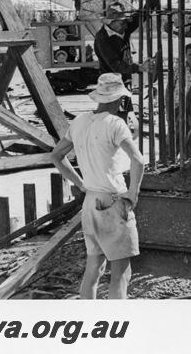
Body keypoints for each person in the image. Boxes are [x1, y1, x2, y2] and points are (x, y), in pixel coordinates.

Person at [48, 73, 145, 299]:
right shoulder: (115, 124)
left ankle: (89, 323)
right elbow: (138, 160)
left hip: (91, 202)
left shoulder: (80, 121)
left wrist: (80, 184)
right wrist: (133, 194)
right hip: (113, 201)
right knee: (121, 273)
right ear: (119, 99)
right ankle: (117, 327)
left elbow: (56, 156)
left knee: (95, 268)